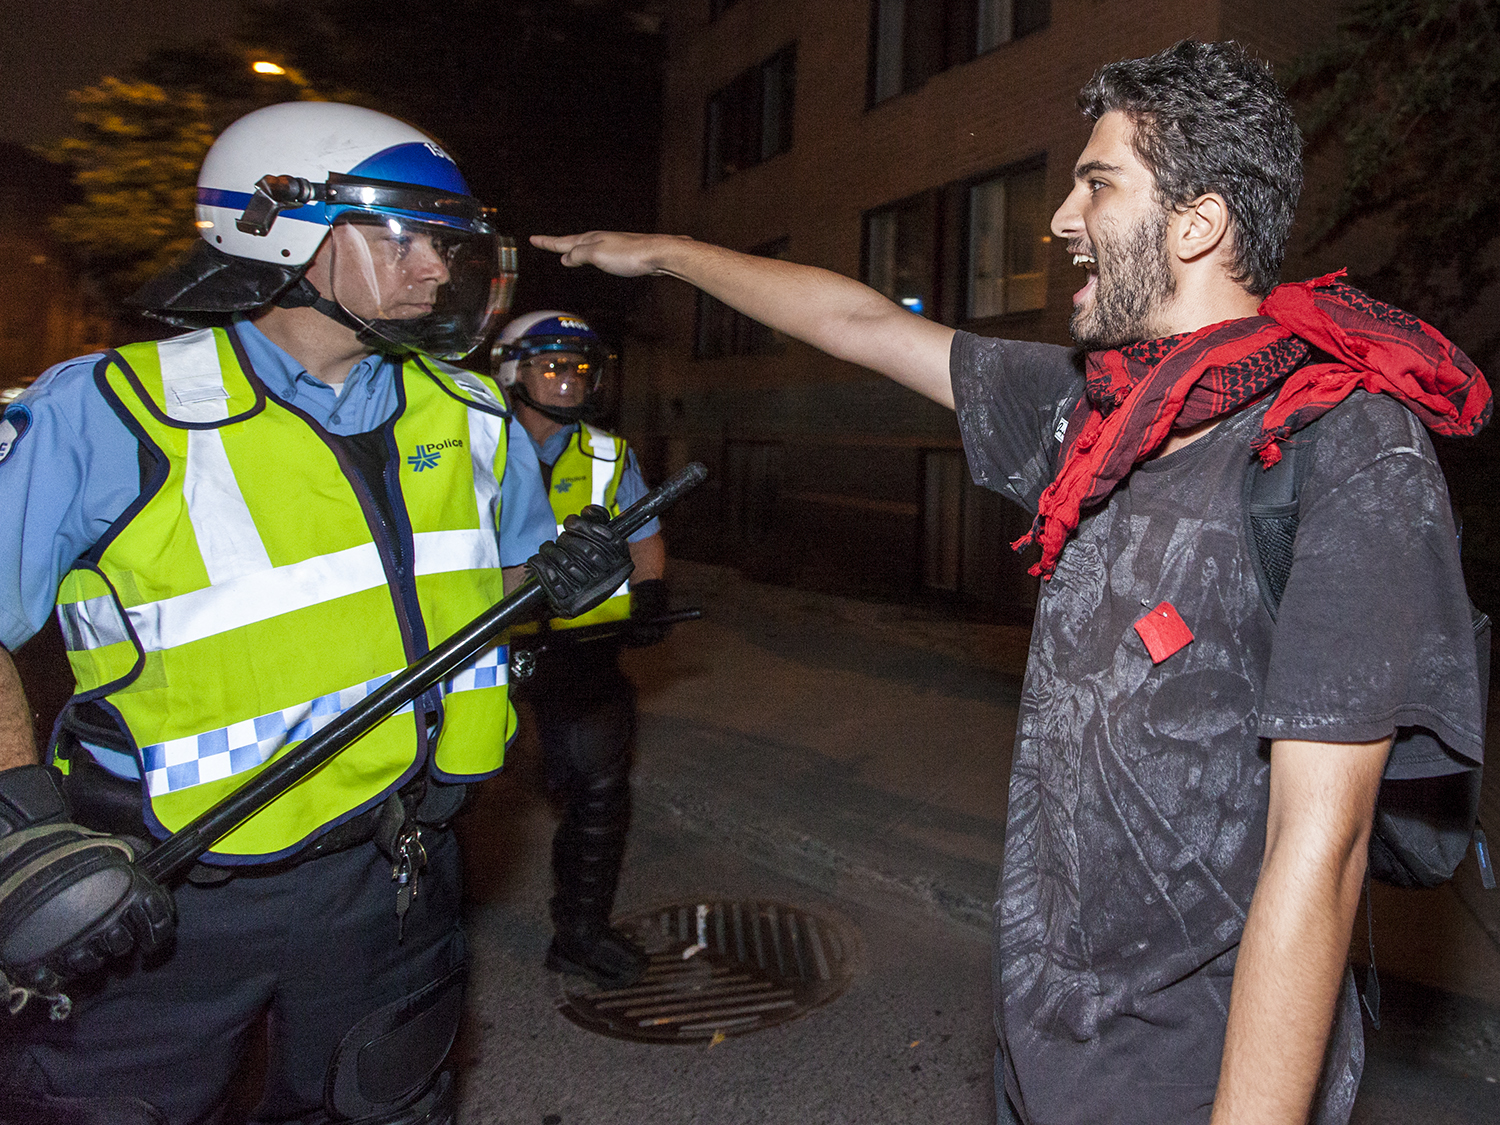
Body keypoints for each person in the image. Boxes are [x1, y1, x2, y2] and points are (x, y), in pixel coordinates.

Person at [531, 40, 1491, 1125]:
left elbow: (1323, 850)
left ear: (1197, 224)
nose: (1059, 222)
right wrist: (666, 254)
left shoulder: (1346, 448)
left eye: (1098, 183)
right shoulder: (1092, 410)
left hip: (1197, 1073)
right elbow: (863, 326)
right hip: (1040, 1046)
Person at [0, 101, 635, 1125]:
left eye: (448, 242)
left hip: (399, 878)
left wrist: (552, 584)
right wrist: (18, 827)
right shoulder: (110, 411)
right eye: (411, 237)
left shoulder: (472, 416)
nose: (439, 267)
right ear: (282, 228)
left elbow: (487, 591)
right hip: (159, 898)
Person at [492, 310, 670, 988]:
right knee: (449, 792)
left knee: (600, 785)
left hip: (578, 644)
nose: (569, 380)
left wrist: (650, 593)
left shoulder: (607, 452)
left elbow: (644, 531)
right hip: (480, 646)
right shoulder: (472, 440)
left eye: (580, 367)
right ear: (514, 370)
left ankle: (581, 933)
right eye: (552, 364)